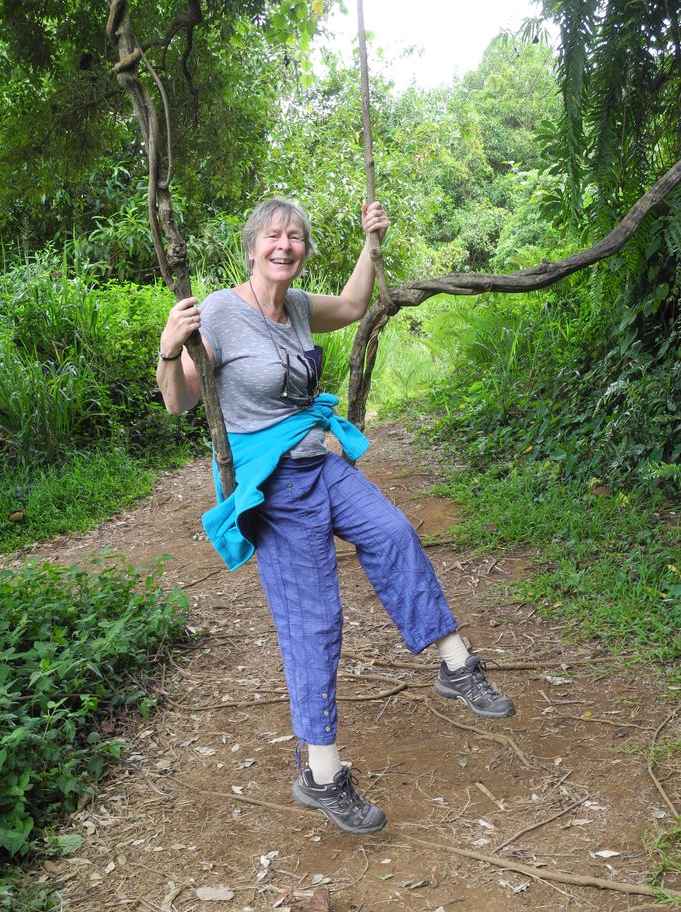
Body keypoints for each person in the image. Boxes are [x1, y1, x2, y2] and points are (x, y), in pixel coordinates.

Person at [157, 197, 515, 836]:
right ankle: (321, 775)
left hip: (319, 460)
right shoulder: (219, 313)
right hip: (272, 486)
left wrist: (371, 241)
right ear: (251, 246)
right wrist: (168, 350)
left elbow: (351, 306)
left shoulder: (296, 306)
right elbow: (179, 401)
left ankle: (456, 666)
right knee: (314, 622)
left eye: (295, 237)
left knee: (393, 532)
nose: (285, 245)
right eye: (274, 236)